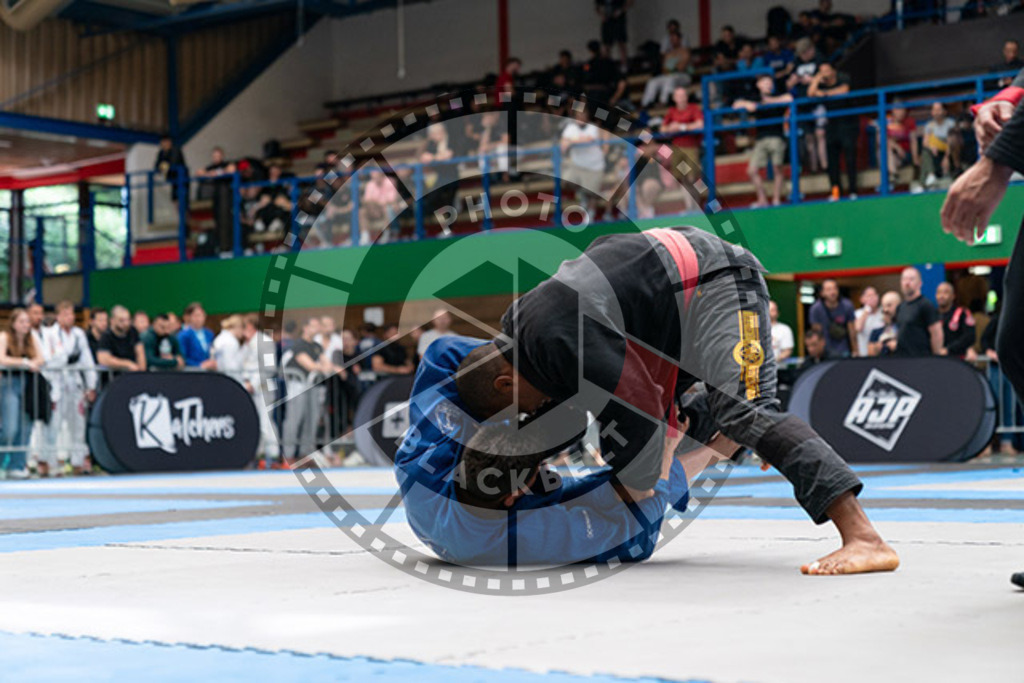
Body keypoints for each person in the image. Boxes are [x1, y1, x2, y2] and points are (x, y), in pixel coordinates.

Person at [437, 226, 899, 575]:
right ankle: (728, 438)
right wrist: (525, 465)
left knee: (745, 410)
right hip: (666, 315)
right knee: (682, 421)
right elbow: (573, 414)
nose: (528, 415)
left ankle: (864, 536)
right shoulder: (525, 332)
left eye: (517, 410)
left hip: (714, 283)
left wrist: (637, 484)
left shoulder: (555, 334)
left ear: (504, 383)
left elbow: (636, 409)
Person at [399, 365, 737, 566]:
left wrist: (524, 363)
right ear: (516, 495)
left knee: (582, 444)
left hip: (479, 505)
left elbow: (443, 353)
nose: (546, 470)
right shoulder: (526, 535)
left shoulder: (424, 460)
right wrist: (677, 449)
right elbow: (636, 528)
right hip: (513, 523)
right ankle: (716, 434)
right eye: (537, 468)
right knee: (631, 489)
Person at [47, 301, 98, 475]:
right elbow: (49, 360)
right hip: (57, 384)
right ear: (58, 315)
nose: (70, 318)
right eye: (66, 314)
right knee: (54, 425)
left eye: (72, 314)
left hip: (75, 384)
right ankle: (51, 463)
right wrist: (67, 360)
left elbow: (87, 360)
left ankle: (78, 462)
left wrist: (91, 385)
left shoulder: (78, 334)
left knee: (78, 426)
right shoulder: (50, 334)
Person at [733, 74, 793, 207]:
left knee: (778, 169)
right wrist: (747, 104)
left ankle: (776, 199)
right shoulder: (754, 97)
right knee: (752, 171)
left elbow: (789, 98)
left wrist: (767, 102)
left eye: (770, 82)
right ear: (758, 85)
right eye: (765, 82)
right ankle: (763, 199)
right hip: (760, 139)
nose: (768, 85)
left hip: (777, 137)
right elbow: (735, 104)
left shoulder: (778, 94)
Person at [281, 317, 334, 462]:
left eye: (318, 326)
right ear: (305, 327)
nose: (316, 329)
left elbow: (327, 364)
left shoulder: (316, 346)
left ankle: (306, 453)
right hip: (297, 386)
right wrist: (322, 368)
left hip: (312, 386)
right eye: (313, 326)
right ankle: (288, 455)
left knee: (312, 419)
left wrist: (324, 368)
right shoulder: (298, 345)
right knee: (294, 419)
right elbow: (309, 365)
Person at [0, 309, 44, 479]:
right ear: (13, 323)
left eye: (27, 321)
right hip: (9, 384)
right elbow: (2, 359)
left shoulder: (32, 338)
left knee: (25, 427)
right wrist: (25, 362)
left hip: (28, 385)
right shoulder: (4, 337)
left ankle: (17, 465)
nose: (26, 325)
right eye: (22, 321)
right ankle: (2, 461)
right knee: (10, 428)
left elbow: (41, 359)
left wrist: (32, 363)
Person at [809, 62, 858, 200]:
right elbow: (811, 93)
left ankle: (853, 191)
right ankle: (836, 191)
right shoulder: (822, 82)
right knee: (832, 161)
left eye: (826, 71)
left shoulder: (843, 77)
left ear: (833, 71)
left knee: (850, 158)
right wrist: (817, 79)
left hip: (848, 123)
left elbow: (844, 90)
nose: (824, 73)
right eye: (821, 71)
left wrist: (824, 94)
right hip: (832, 125)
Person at [561, 108, 607, 218]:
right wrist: (569, 142)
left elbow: (588, 140)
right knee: (566, 181)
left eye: (583, 115)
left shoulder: (592, 128)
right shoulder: (570, 128)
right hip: (577, 165)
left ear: (587, 116)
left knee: (592, 193)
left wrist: (571, 141)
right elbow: (563, 146)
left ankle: (590, 215)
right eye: (578, 115)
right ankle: (582, 194)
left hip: (594, 166)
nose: (581, 117)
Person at [194, 147, 236, 256]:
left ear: (222, 156)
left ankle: (228, 248)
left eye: (218, 155)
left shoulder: (227, 164)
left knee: (228, 223)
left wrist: (216, 173)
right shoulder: (210, 167)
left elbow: (231, 169)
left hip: (228, 199)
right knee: (217, 223)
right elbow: (199, 173)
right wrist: (210, 173)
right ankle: (221, 248)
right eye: (214, 156)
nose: (216, 158)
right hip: (215, 200)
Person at [894, 267, 943, 357]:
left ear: (920, 283)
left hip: (921, 359)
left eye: (911, 279)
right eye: (904, 279)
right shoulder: (900, 307)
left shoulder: (926, 305)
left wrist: (936, 358)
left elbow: (936, 333)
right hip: (902, 360)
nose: (907, 283)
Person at [808, 279, 857, 357]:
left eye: (835, 288)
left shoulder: (847, 305)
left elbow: (852, 330)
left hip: (844, 350)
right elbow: (816, 333)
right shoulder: (816, 309)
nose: (832, 292)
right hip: (825, 351)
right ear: (822, 293)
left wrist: (855, 351)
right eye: (828, 289)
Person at [640, 33, 691, 106]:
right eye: (671, 40)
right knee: (652, 81)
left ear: (679, 40)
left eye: (674, 39)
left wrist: (671, 68)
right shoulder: (668, 53)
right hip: (669, 75)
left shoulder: (685, 52)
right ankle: (646, 103)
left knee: (670, 79)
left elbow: (681, 68)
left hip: (683, 76)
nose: (673, 41)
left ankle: (663, 102)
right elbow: (664, 69)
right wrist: (672, 68)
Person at [96, 305, 146, 373]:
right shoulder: (106, 336)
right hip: (113, 377)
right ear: (112, 320)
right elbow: (103, 359)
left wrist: (142, 372)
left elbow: (140, 352)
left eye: (128, 320)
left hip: (133, 376)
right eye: (121, 320)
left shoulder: (133, 331)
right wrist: (127, 364)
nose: (126, 323)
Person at [936, 282, 976, 359]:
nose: (941, 296)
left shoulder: (962, 313)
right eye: (939, 292)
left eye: (945, 292)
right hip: (937, 360)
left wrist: (948, 349)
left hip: (957, 359)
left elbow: (969, 336)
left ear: (953, 296)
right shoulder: (932, 314)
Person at [885, 104, 919, 186]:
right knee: (885, 150)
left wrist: (915, 158)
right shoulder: (887, 121)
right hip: (893, 156)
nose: (901, 112)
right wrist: (897, 147)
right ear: (893, 110)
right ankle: (893, 175)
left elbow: (913, 140)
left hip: (906, 154)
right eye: (898, 109)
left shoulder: (909, 121)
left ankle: (892, 176)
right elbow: (881, 140)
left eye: (903, 110)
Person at [178, 302, 216, 370]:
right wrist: (200, 365)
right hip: (192, 371)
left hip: (208, 371)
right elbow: (182, 358)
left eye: (201, 315)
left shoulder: (209, 333)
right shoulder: (183, 335)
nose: (199, 319)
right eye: (196, 316)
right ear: (189, 317)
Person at [154, 135, 188, 206]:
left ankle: (185, 216)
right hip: (173, 180)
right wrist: (162, 167)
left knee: (182, 200)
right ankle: (180, 216)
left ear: (169, 142)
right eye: (162, 143)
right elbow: (157, 165)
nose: (163, 145)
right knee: (175, 200)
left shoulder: (175, 150)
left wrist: (164, 166)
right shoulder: (161, 153)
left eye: (164, 142)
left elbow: (173, 163)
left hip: (181, 180)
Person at [596, 0, 631, 68]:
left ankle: (624, 65)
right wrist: (601, 15)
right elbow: (597, 7)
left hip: (619, 20)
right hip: (607, 21)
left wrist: (620, 11)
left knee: (621, 43)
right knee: (606, 45)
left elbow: (629, 2)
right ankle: (607, 65)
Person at [867, 291, 901, 357]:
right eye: (883, 306)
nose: (885, 310)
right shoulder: (876, 332)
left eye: (889, 305)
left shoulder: (907, 330)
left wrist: (898, 346)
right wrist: (879, 346)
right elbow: (870, 353)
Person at [854, 287, 884, 357]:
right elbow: (858, 328)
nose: (872, 298)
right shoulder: (857, 314)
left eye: (874, 295)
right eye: (868, 296)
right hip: (863, 354)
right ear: (862, 299)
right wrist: (867, 310)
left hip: (880, 354)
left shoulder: (883, 313)